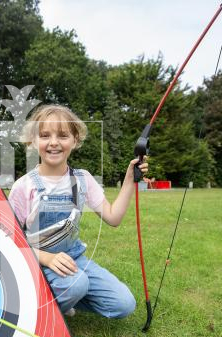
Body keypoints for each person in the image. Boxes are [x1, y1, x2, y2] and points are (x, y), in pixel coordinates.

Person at [8, 104, 148, 318]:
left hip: (73, 259)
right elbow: (9, 241)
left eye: (63, 135)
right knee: (76, 283)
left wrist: (129, 180)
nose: (54, 142)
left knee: (123, 304)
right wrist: (45, 258)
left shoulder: (83, 179)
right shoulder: (23, 186)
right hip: (35, 262)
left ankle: (62, 298)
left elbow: (113, 217)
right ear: (34, 141)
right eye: (45, 135)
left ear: (75, 140)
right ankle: (39, 312)